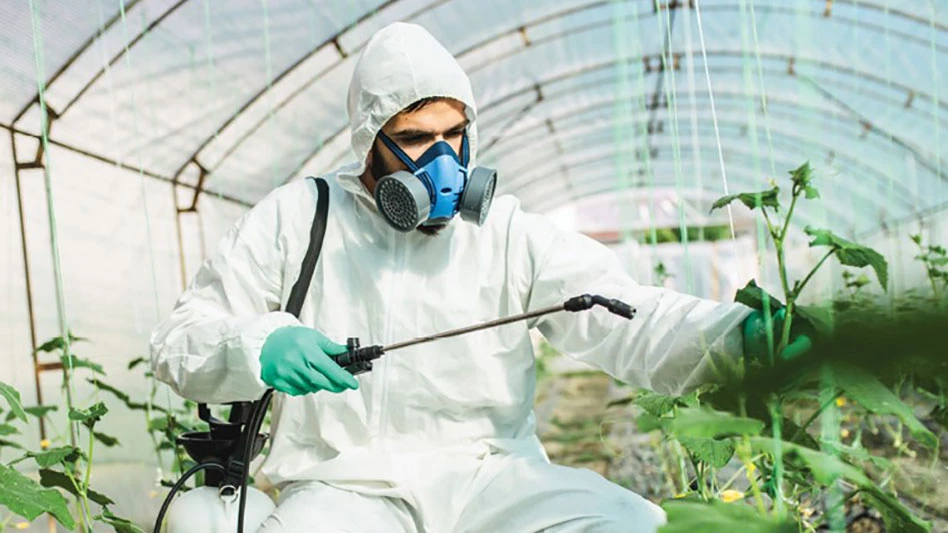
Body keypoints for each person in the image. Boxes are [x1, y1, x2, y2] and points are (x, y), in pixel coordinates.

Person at [150, 22, 805, 533]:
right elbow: (181, 339)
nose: (443, 161)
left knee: (627, 521)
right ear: (368, 140)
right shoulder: (300, 219)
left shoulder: (506, 233)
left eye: (455, 134)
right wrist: (258, 346)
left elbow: (627, 314)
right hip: (345, 490)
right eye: (414, 138)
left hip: (493, 478)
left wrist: (739, 336)